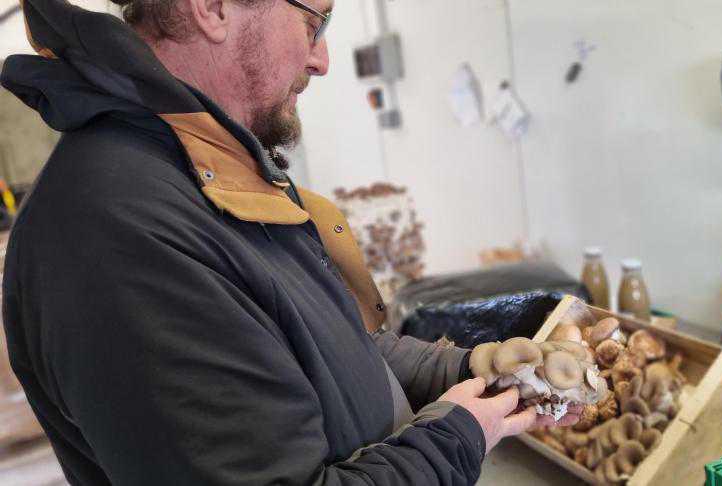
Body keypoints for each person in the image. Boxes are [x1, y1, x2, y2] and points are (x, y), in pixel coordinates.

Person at [0, 0, 579, 484]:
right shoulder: (121, 230)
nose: (322, 59)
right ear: (213, 7)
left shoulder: (209, 173)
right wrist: (459, 436)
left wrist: (468, 367)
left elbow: (332, 347)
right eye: (314, 21)